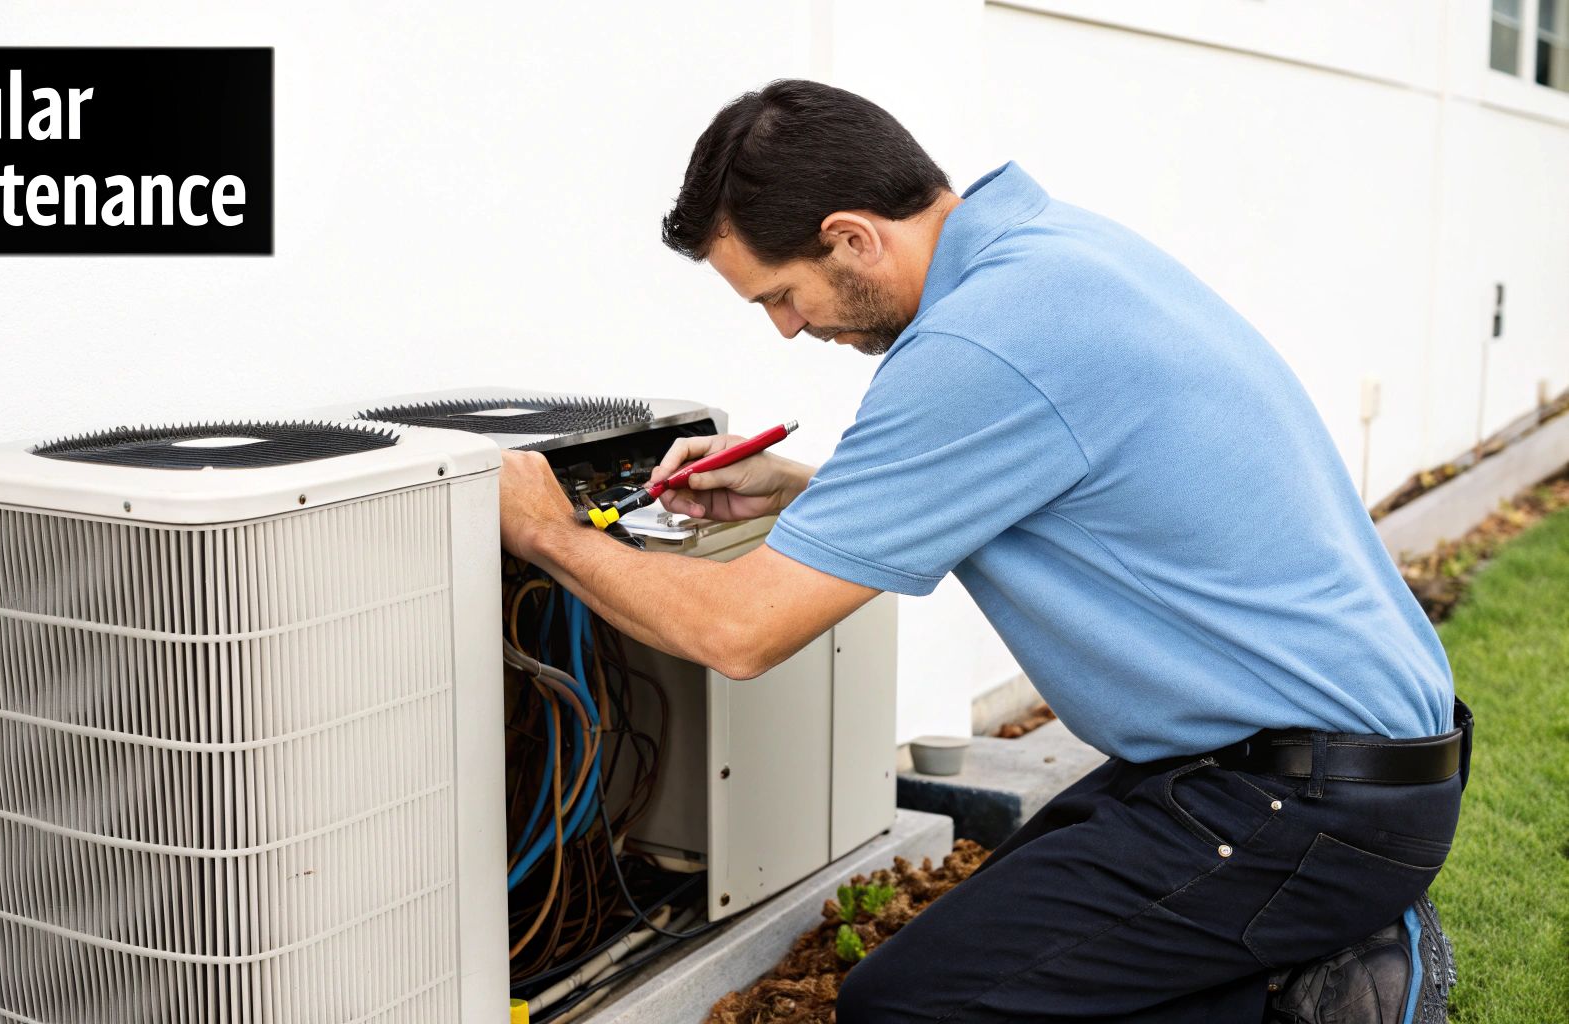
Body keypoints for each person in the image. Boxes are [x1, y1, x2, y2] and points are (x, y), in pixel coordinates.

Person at [495, 79, 1467, 1022]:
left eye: (777, 295)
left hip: (1305, 800)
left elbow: (742, 631)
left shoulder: (977, 346)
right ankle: (1303, 956)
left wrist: (543, 528)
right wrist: (800, 486)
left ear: (850, 237)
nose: (787, 328)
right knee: (1007, 950)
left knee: (912, 1003)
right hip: (1321, 760)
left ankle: (1324, 976)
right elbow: (1040, 460)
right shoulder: (1046, 255)